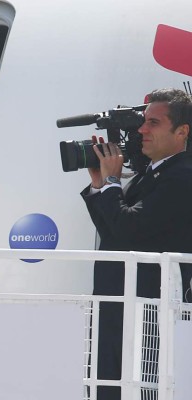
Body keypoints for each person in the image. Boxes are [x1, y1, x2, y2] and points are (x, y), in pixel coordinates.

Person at [80, 88, 192, 400]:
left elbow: (130, 229)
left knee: (143, 390)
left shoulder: (183, 175)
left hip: (149, 311)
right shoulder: (151, 173)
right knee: (109, 388)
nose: (141, 130)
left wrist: (113, 182)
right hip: (121, 304)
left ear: (182, 132)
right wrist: (100, 184)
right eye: (143, 121)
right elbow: (113, 233)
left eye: (153, 123)